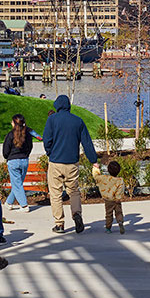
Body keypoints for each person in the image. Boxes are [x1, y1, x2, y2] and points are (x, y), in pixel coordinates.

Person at [41, 95, 99, 234]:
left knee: (55, 194)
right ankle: (76, 213)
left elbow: (46, 139)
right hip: (72, 162)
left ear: (57, 106)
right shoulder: (78, 121)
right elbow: (87, 142)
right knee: (74, 191)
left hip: (56, 161)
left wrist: (50, 152)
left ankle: (59, 224)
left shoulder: (52, 119)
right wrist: (93, 160)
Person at [2, 113, 35, 210]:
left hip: (13, 161)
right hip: (24, 160)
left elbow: (5, 150)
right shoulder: (27, 134)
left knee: (17, 184)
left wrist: (8, 157)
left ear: (14, 123)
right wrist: (25, 155)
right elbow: (30, 147)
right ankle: (9, 202)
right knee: (18, 184)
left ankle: (24, 205)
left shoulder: (10, 135)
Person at [94, 159, 128, 233]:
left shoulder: (104, 178)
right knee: (119, 212)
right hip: (117, 200)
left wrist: (96, 168)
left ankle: (108, 228)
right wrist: (118, 197)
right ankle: (120, 222)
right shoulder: (120, 180)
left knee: (109, 214)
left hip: (108, 200)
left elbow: (96, 177)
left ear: (108, 170)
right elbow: (121, 189)